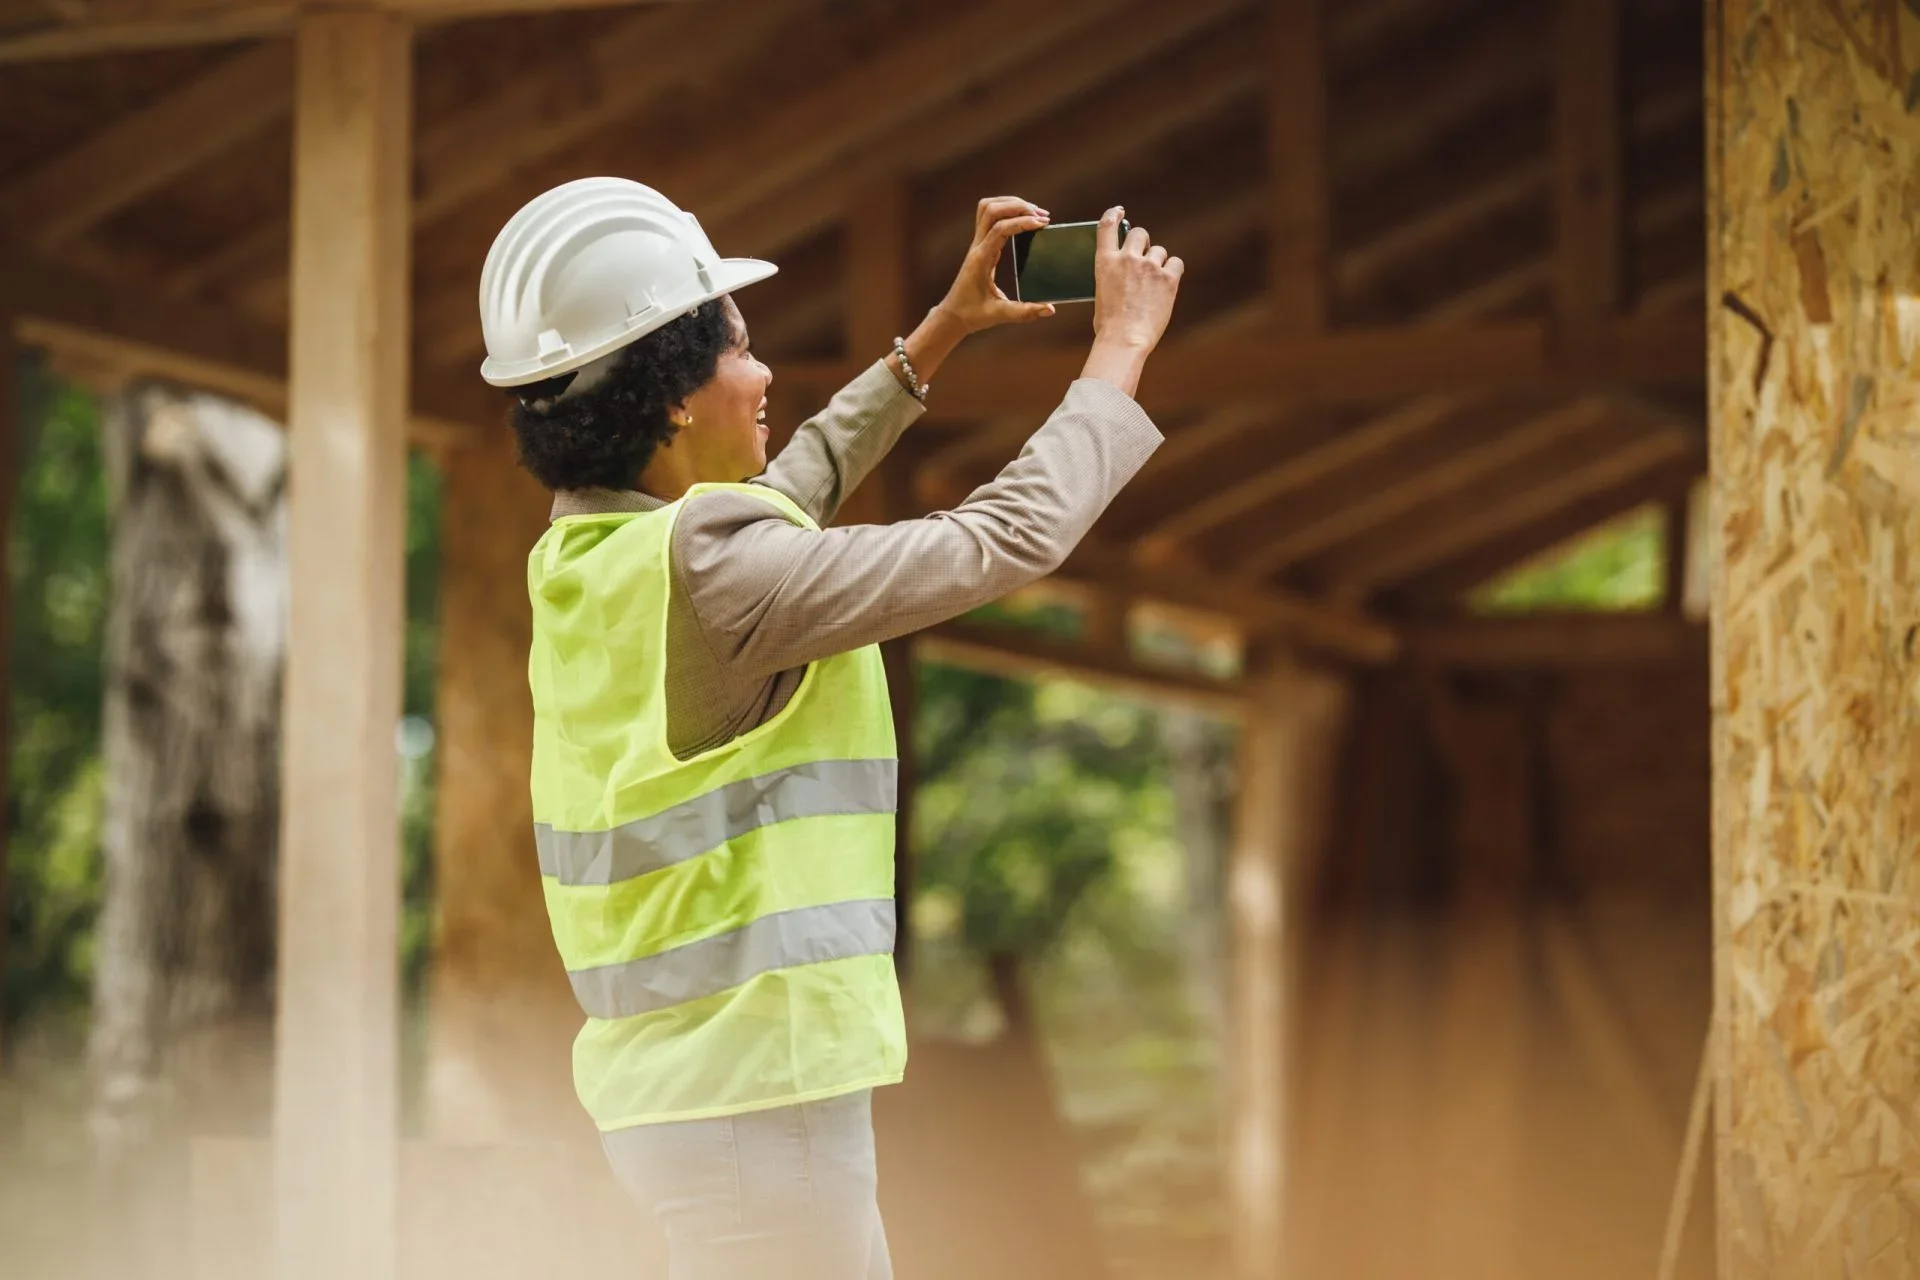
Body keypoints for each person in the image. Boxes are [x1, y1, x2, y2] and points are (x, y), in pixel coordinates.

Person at [477, 177, 1183, 1280]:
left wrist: (937, 338)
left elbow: (783, 497)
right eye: (739, 350)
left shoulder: (596, 559)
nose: (765, 379)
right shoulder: (717, 570)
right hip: (760, 1097)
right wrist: (1122, 350)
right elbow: (1004, 538)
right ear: (670, 397)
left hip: (692, 1098)